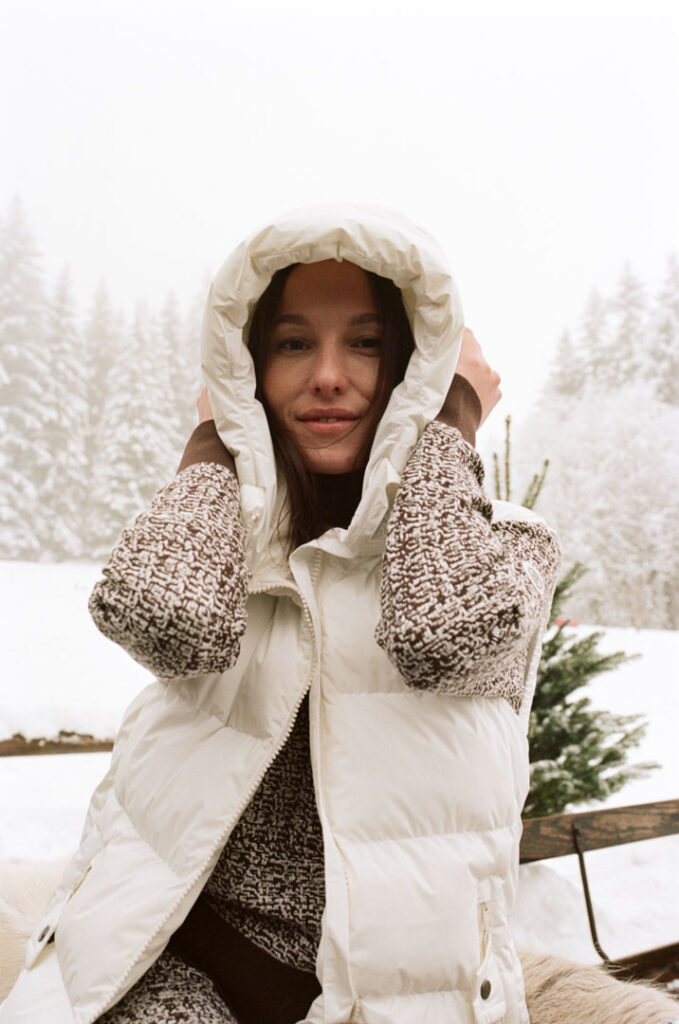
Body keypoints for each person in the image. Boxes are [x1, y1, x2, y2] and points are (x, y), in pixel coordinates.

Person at [0, 205, 562, 1024]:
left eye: (366, 344)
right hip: (165, 961)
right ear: (249, 371)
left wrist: (448, 421)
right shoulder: (227, 533)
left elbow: (441, 633)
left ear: (416, 367)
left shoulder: (508, 546)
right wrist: (213, 442)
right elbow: (162, 619)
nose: (327, 376)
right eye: (292, 345)